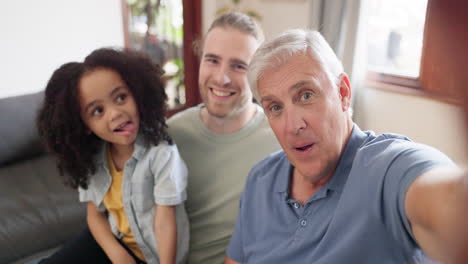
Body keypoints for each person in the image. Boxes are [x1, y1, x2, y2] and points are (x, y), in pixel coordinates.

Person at [225, 29, 468, 264]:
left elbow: (446, 203)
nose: (292, 126)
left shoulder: (388, 169)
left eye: (306, 95)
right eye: (275, 107)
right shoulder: (260, 179)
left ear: (343, 92)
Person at [37, 48, 189, 264]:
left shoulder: (162, 154)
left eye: (121, 97)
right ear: (85, 125)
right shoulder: (93, 158)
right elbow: (95, 215)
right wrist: (118, 256)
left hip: (155, 256)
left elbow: (165, 222)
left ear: (137, 93)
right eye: (97, 111)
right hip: (113, 243)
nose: (115, 113)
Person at [167, 12, 280, 264]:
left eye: (238, 66)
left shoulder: (280, 139)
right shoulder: (171, 134)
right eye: (212, 60)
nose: (221, 77)